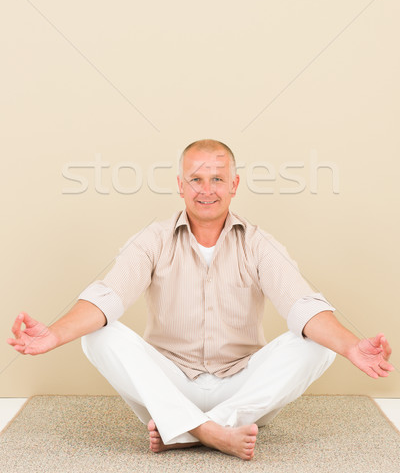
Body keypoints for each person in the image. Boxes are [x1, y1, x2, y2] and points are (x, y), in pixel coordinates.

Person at [7, 139, 394, 461]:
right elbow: (108, 296)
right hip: (169, 383)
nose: (206, 189)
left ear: (234, 184)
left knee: (321, 347)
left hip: (241, 386)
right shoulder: (154, 239)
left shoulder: (258, 243)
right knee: (98, 336)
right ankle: (215, 431)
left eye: (217, 179)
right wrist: (54, 335)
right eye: (196, 179)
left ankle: (188, 429)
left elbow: (302, 304)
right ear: (180, 185)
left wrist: (350, 346)